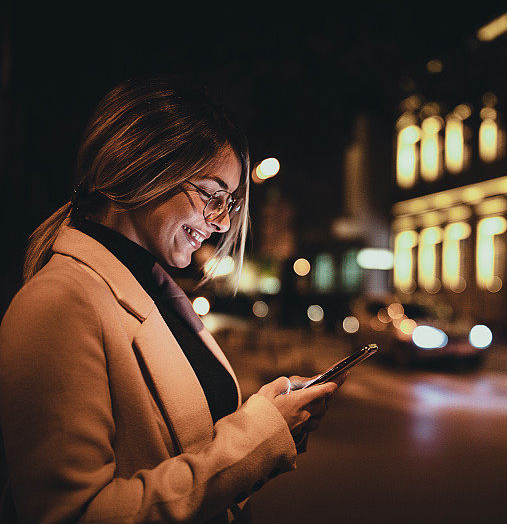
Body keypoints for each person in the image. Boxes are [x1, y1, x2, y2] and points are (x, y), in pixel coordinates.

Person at [0, 75, 340, 523]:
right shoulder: (58, 304)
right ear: (145, 166)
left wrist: (270, 420)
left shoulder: (154, 289)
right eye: (211, 195)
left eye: (230, 203)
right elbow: (74, 514)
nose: (219, 223)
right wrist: (256, 438)